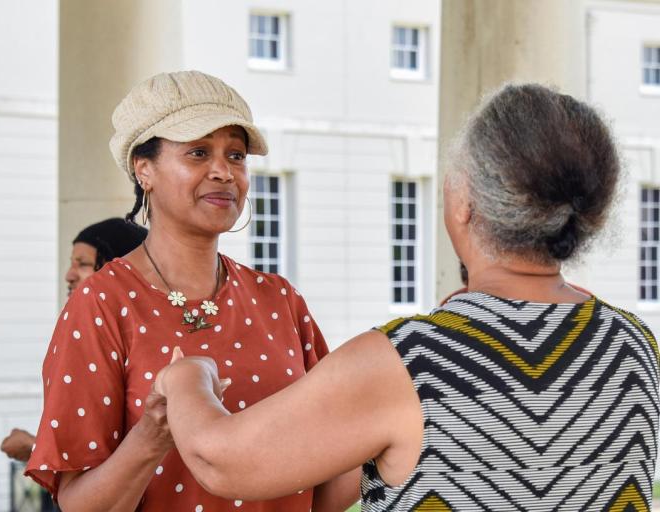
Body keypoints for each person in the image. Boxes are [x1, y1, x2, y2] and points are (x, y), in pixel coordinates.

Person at [155, 84, 660, 510]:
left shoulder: (410, 360)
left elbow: (220, 460)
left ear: (465, 202)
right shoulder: (637, 346)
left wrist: (187, 381)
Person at [25, 71, 358, 512]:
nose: (223, 172)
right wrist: (152, 436)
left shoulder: (280, 300)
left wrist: (395, 415)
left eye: (236, 156)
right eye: (198, 153)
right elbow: (80, 505)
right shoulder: (102, 303)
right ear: (144, 170)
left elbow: (326, 487)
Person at [0, 218, 148, 462]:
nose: (69, 275)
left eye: (83, 264)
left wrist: (33, 448)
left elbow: (102, 453)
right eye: (71, 264)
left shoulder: (131, 338)